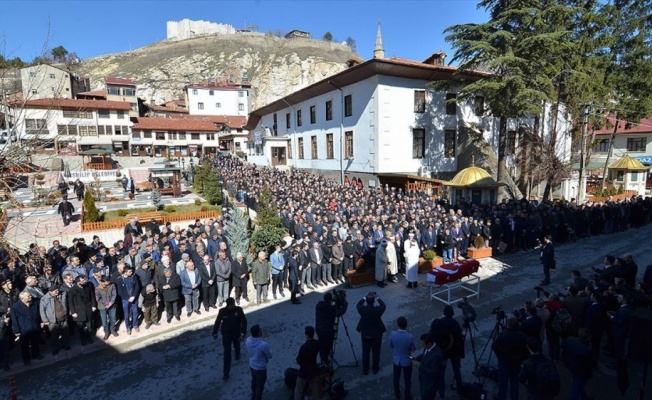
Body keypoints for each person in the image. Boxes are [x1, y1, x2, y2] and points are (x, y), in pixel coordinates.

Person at [430, 305, 464, 397]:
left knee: (441, 372)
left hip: (444, 351)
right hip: (455, 351)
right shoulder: (455, 324)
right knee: (457, 371)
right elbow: (460, 338)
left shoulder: (441, 323)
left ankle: (441, 388)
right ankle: (460, 389)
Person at [492, 317, 528, 400]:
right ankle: (514, 397)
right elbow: (526, 350)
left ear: (508, 325)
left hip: (504, 361)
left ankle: (502, 397)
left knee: (503, 381)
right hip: (517, 362)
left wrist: (499, 355)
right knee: (514, 380)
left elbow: (494, 346)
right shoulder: (523, 336)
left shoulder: (503, 335)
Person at [212, 297, 247, 380]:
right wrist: (215, 332)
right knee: (227, 352)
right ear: (228, 305)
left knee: (236, 345)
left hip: (236, 333)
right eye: (232, 305)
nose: (233, 306)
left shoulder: (239, 310)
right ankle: (226, 373)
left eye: (234, 304)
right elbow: (217, 322)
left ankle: (237, 353)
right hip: (226, 335)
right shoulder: (222, 311)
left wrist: (242, 334)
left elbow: (244, 322)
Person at [356, 291, 386, 375]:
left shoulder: (363, 310)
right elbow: (383, 305)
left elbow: (358, 305)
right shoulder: (377, 310)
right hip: (376, 334)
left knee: (365, 352)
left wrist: (364, 297)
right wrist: (378, 297)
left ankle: (365, 369)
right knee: (376, 352)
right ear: (373, 301)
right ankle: (375, 368)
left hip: (366, 334)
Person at [10, 291, 43, 366]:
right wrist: (16, 330)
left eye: (30, 295)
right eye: (28, 296)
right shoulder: (15, 307)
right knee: (24, 345)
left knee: (35, 342)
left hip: (34, 326)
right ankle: (26, 359)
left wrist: (40, 322)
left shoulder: (34, 303)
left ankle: (36, 354)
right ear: (22, 298)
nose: (30, 297)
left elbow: (38, 313)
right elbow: (14, 320)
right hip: (24, 329)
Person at [562, 328, 596, 400]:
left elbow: (564, 350)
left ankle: (584, 397)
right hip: (581, 373)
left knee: (578, 386)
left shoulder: (569, 339)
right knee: (575, 391)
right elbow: (592, 363)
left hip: (571, 367)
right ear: (587, 338)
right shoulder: (587, 350)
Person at [315, 291, 347, 364]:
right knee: (326, 347)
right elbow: (341, 311)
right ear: (330, 300)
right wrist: (345, 304)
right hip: (327, 332)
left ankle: (322, 357)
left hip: (319, 329)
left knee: (321, 344)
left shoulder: (319, 305)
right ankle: (324, 362)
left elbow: (330, 306)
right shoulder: (331, 310)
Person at [389, 316, 416, 400]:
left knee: (396, 378)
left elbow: (391, 345)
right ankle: (407, 396)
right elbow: (413, 349)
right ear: (406, 325)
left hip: (396, 360)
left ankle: (397, 394)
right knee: (407, 379)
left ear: (398, 324)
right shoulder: (410, 337)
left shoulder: (393, 334)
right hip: (407, 360)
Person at [39, 285, 71, 355]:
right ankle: (55, 348)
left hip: (63, 317)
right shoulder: (44, 299)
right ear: (50, 292)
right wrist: (45, 320)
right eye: (55, 291)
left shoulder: (62, 294)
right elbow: (42, 310)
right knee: (54, 335)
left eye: (57, 290)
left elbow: (66, 303)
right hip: (52, 320)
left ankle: (66, 345)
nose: (57, 292)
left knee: (65, 333)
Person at [412, 332, 445, 400]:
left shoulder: (437, 356)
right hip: (424, 381)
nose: (422, 346)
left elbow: (434, 373)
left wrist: (419, 365)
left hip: (430, 384)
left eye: (423, 344)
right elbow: (424, 355)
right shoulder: (428, 347)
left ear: (429, 343)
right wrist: (416, 358)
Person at [68, 275, 97, 346]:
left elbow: (92, 296)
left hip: (88, 309)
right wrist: (73, 312)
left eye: (84, 280)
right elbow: (70, 302)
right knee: (80, 327)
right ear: (78, 282)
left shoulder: (87, 287)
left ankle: (89, 338)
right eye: (82, 280)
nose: (84, 281)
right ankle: (83, 339)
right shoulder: (72, 290)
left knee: (89, 326)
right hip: (78, 311)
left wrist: (93, 305)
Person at [294, 325, 321, 400]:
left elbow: (298, 360)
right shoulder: (317, 343)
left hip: (304, 371)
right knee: (314, 388)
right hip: (313, 369)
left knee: (298, 390)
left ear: (306, 335)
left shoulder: (304, 347)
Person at [246, 324, 272, 400]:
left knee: (254, 381)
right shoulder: (263, 345)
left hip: (252, 365)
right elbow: (270, 355)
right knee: (260, 386)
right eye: (260, 330)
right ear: (259, 333)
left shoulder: (247, 340)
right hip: (261, 368)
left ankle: (253, 396)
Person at [116, 266, 141, 334]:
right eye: (130, 272)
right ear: (125, 272)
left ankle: (135, 325)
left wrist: (134, 296)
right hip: (125, 300)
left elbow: (137, 286)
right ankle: (128, 327)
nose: (131, 273)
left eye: (131, 271)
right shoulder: (120, 279)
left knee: (135, 312)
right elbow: (120, 292)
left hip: (134, 298)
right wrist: (128, 298)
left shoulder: (133, 277)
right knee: (126, 314)